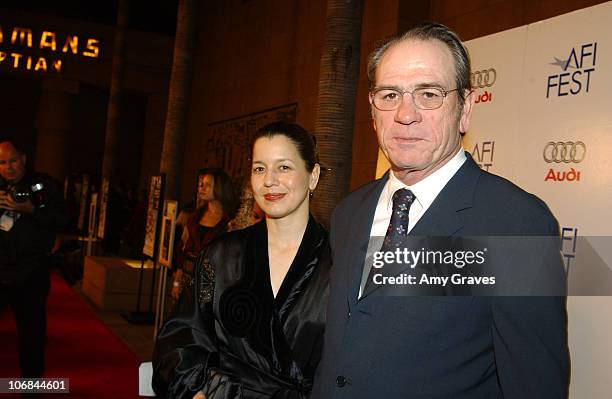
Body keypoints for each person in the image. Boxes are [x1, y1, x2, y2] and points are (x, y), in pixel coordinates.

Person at [311, 22, 570, 399]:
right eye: (390, 94)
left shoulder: (516, 224)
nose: (405, 114)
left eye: (429, 94)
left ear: (465, 108)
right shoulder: (349, 212)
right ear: (372, 109)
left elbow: (535, 386)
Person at [153, 122, 330, 399]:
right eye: (260, 168)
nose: (269, 180)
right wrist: (199, 391)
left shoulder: (339, 262)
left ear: (313, 176)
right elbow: (180, 335)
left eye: (283, 167)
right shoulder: (218, 256)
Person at [0, 138, 67, 377]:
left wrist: (31, 210)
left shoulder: (41, 185)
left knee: (32, 338)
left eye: (13, 161)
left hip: (30, 273)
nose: (9, 167)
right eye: (2, 162)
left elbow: (61, 219)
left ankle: (31, 390)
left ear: (24, 160)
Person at [170, 169, 236, 302]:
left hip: (214, 283)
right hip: (188, 279)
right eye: (201, 184)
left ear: (220, 188)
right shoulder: (194, 217)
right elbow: (183, 249)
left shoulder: (231, 222)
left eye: (208, 185)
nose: (201, 188)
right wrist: (176, 282)